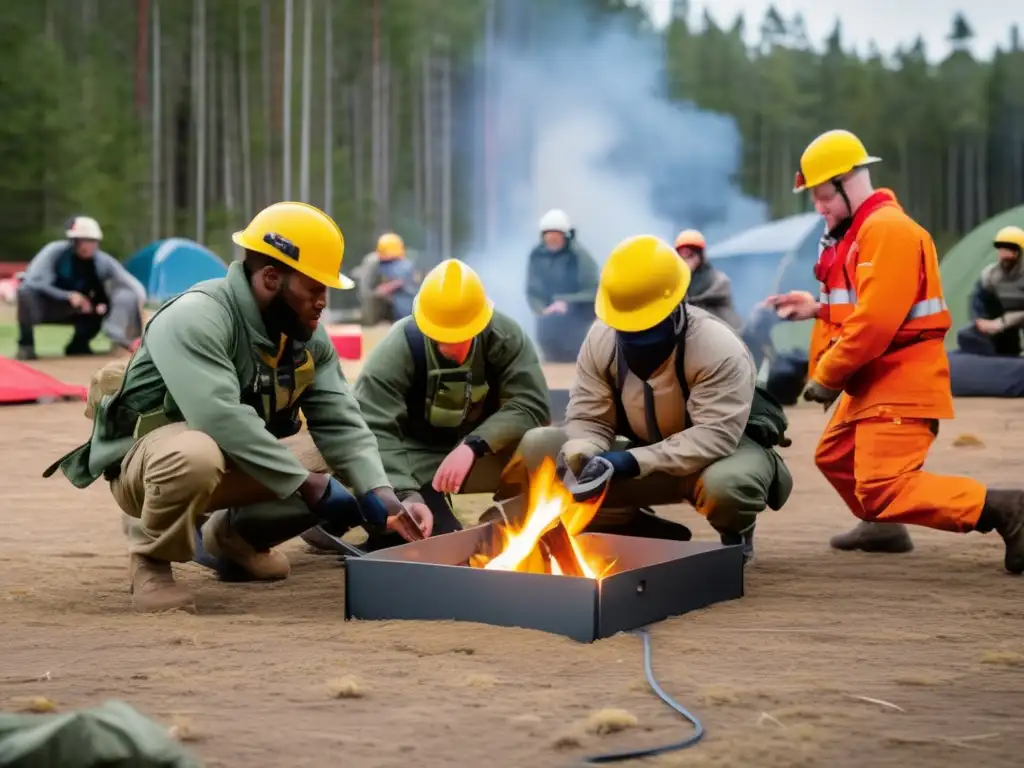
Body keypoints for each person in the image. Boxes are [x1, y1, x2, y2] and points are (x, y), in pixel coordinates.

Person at [42, 202, 433, 613]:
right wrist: (307, 484)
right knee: (195, 453)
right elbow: (218, 417)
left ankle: (234, 539)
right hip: (151, 463)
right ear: (269, 278)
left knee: (332, 453)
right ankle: (151, 563)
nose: (323, 302)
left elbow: (344, 425)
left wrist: (381, 495)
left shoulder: (304, 337)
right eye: (314, 289)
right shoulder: (198, 316)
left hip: (229, 459)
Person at [768, 129, 1024, 573]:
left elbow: (876, 322)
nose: (818, 206)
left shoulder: (887, 231)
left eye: (823, 194)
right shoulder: (865, 230)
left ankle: (1007, 509)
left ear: (848, 180)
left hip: (901, 380)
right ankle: (881, 527)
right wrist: (816, 307)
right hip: (875, 379)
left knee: (885, 486)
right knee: (836, 457)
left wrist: (827, 376)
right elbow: (866, 306)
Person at [507, 234, 794, 563]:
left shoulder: (718, 348)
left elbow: (715, 435)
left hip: (716, 453)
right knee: (542, 445)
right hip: (644, 450)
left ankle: (736, 532)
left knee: (728, 487)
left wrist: (630, 462)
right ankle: (634, 526)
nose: (635, 334)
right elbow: (589, 417)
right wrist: (582, 453)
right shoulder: (601, 339)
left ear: (675, 307)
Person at [302, 259, 551, 552]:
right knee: (438, 544)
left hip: (477, 453)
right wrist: (405, 494)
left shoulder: (505, 337)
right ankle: (349, 512)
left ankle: (518, 522)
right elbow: (370, 429)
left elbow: (531, 404)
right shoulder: (400, 345)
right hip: (409, 458)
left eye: (461, 337)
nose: (450, 348)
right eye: (441, 337)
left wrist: (474, 445)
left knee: (548, 443)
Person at [16, 216, 146, 360]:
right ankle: (26, 345)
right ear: (73, 241)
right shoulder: (54, 252)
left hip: (80, 308)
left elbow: (129, 284)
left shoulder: (101, 261)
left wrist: (139, 302)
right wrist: (67, 295)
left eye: (92, 241)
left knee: (107, 302)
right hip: (46, 304)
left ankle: (79, 344)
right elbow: (33, 282)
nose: (86, 246)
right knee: (25, 291)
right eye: (82, 240)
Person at [526, 209, 600, 362]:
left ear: (565, 236)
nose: (551, 239)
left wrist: (566, 302)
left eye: (556, 235)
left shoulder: (580, 257)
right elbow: (533, 290)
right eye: (548, 235)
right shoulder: (537, 256)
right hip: (549, 322)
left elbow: (594, 291)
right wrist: (542, 309)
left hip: (577, 321)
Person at [955, 226, 1024, 357]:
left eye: (1010, 248)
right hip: (1002, 326)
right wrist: (981, 321)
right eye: (1001, 248)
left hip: (1012, 319)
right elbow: (978, 300)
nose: (1004, 254)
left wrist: (1004, 322)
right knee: (967, 334)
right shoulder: (991, 275)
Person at [675, 229, 743, 331]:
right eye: (682, 255)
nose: (686, 261)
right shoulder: (674, 284)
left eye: (690, 255)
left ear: (700, 256)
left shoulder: (716, 281)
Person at [357, 232, 419, 325]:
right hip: (378, 314)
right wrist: (381, 291)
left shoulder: (405, 265)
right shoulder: (373, 263)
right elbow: (367, 292)